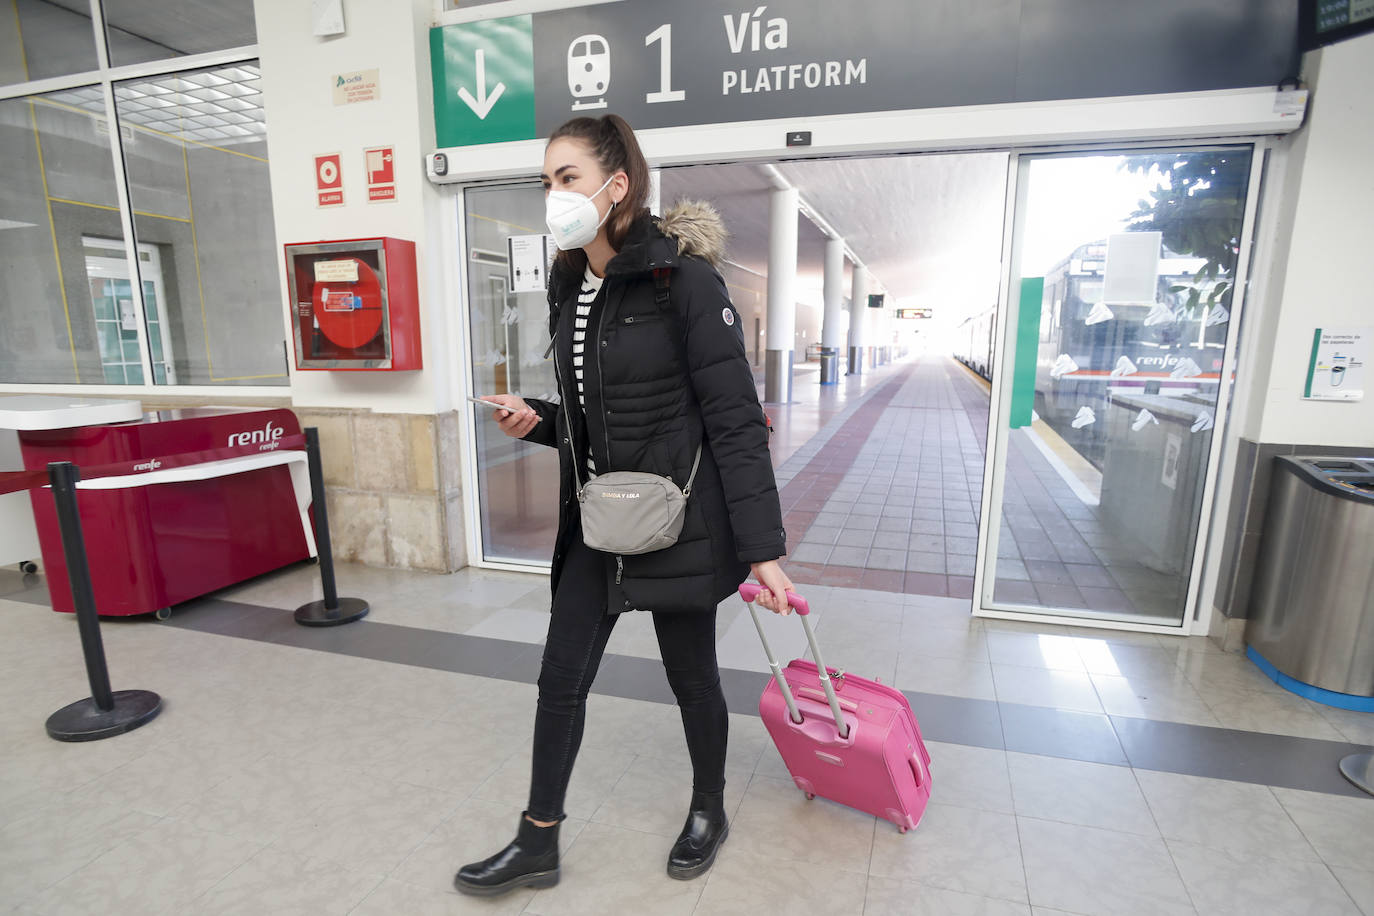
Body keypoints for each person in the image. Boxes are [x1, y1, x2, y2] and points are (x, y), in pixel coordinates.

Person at [455, 113, 794, 896]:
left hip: (678, 517)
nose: (553, 195)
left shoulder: (686, 279)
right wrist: (539, 420)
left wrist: (763, 549)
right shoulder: (571, 280)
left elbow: (737, 420)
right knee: (559, 680)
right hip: (598, 520)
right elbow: (593, 413)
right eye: (546, 181)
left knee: (693, 679)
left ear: (617, 186)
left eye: (567, 178)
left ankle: (709, 808)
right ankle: (537, 840)